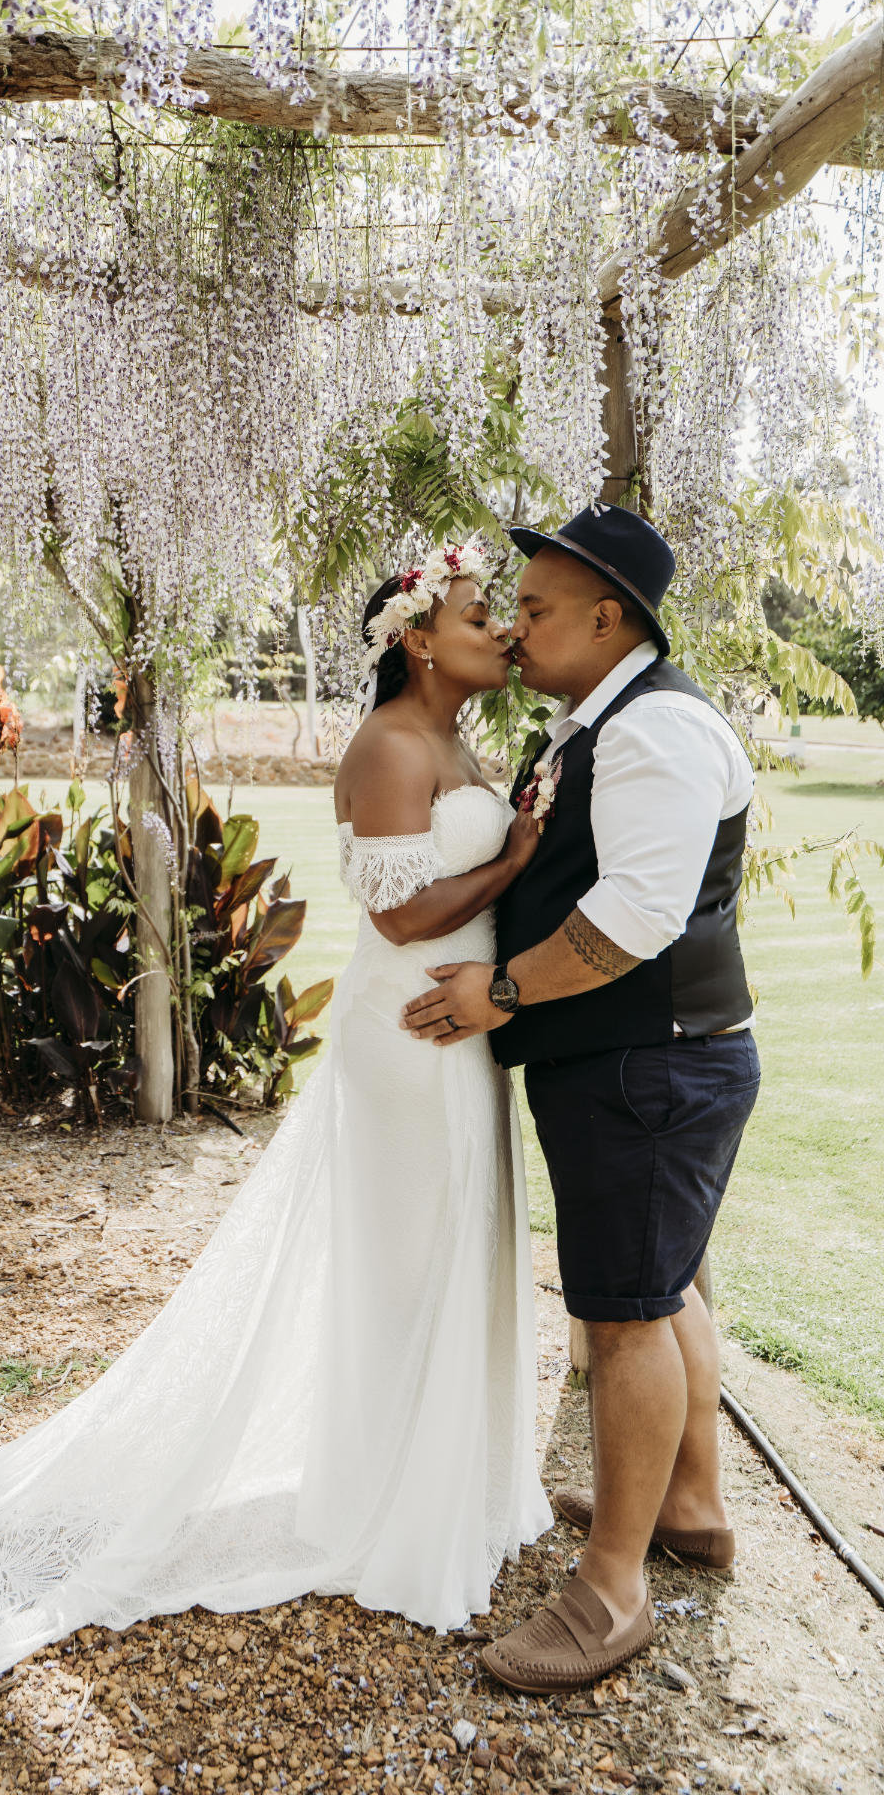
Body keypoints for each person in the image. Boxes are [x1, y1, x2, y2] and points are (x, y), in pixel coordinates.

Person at [0, 541, 552, 1774]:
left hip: (460, 1027)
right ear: (418, 636)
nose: (503, 634)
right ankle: (387, 1509)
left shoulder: (466, 742)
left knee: (461, 1246)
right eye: (481, 616)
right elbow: (401, 911)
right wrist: (517, 854)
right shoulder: (388, 747)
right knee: (408, 1258)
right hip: (406, 1028)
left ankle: (446, 1484)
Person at [402, 504, 761, 1693]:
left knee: (622, 1318)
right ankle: (687, 1508)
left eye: (541, 608)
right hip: (640, 1060)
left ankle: (611, 1593)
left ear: (611, 619)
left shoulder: (653, 731)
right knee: (659, 1295)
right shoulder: (603, 720)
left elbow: (632, 920)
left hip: (643, 1064)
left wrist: (502, 991)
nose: (519, 625)